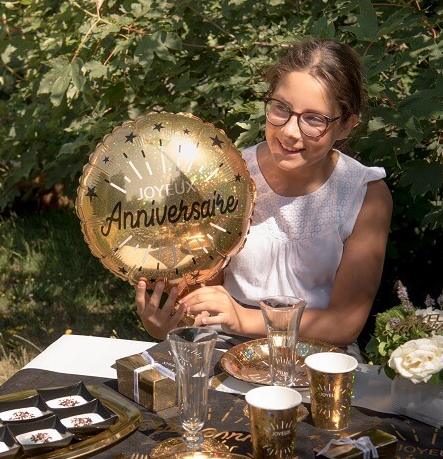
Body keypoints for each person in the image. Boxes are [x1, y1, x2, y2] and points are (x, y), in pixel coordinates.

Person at [135, 38, 392, 347]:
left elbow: (344, 323)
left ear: (347, 125)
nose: (289, 132)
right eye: (281, 108)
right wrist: (168, 321)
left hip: (319, 356)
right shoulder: (225, 177)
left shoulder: (365, 195)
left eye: (314, 119)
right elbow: (203, 297)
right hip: (225, 346)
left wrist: (244, 319)